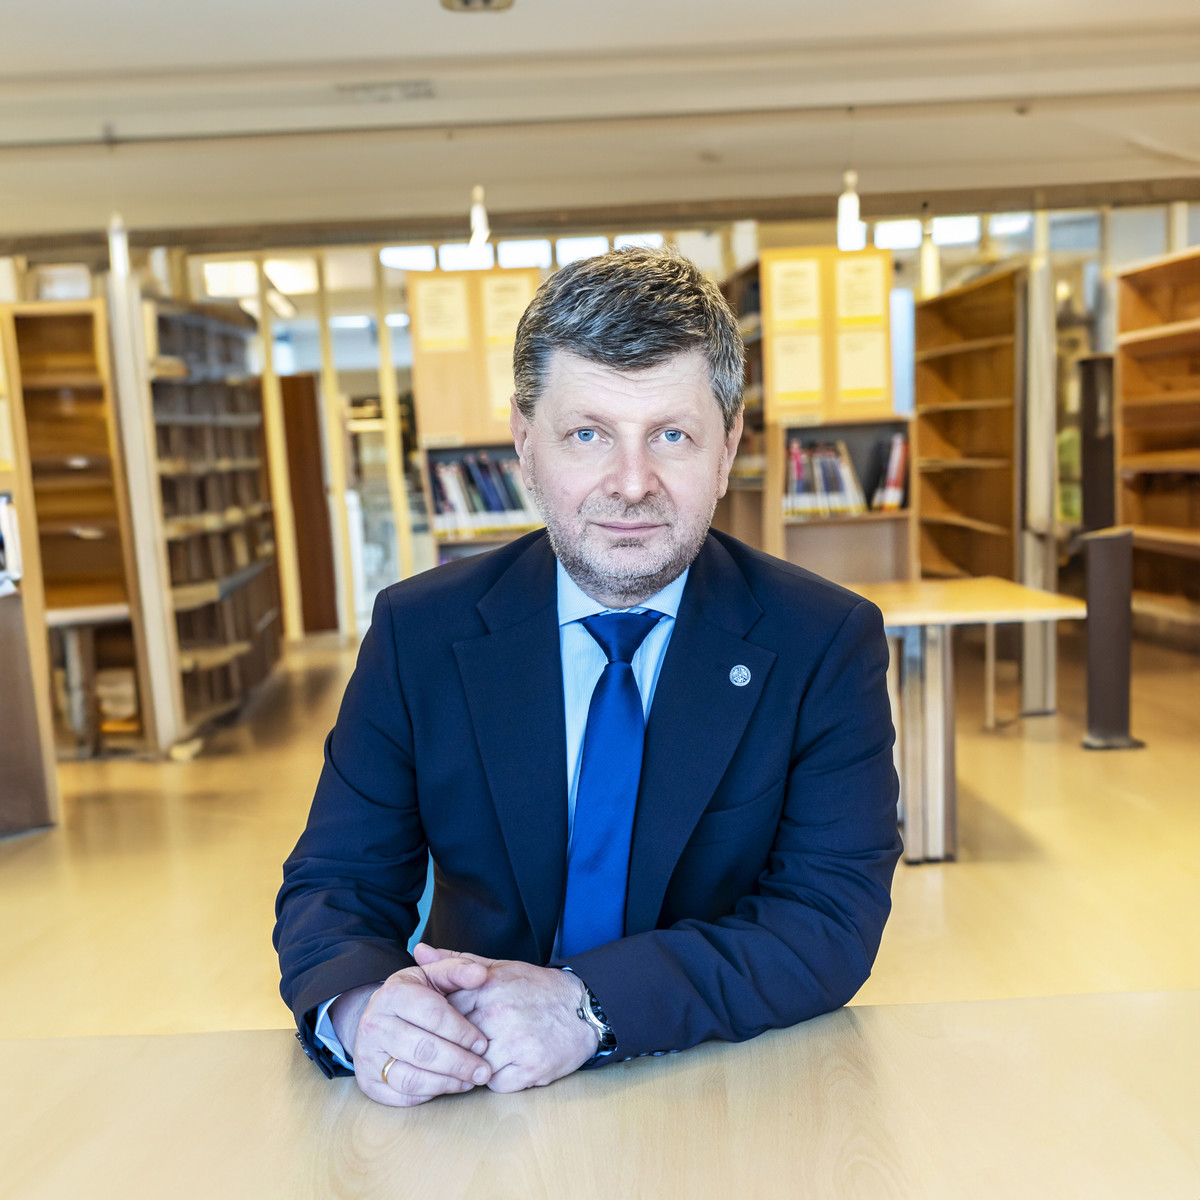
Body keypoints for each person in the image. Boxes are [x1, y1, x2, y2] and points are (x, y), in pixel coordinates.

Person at [274, 246, 902, 1108]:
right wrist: (361, 1014)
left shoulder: (823, 642)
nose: (632, 484)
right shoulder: (418, 633)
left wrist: (586, 1006)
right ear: (525, 444)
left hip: (714, 1080)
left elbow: (828, 919)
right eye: (587, 435)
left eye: (672, 436)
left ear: (728, 450)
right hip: (477, 1087)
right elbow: (336, 881)